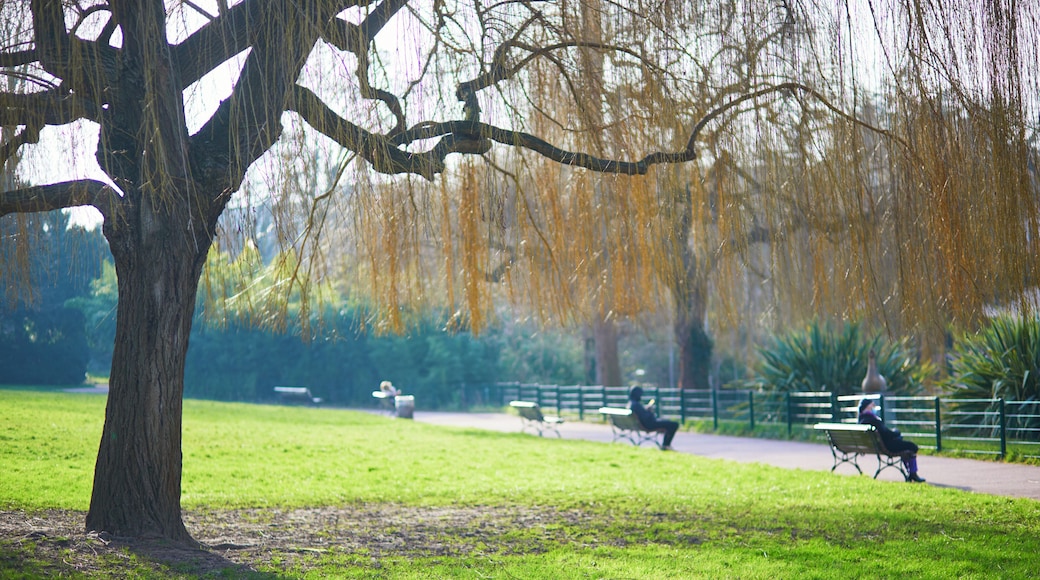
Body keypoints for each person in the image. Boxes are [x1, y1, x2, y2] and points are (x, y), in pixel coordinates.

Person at [858, 398, 925, 483]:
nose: (874, 406)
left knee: (904, 445)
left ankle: (912, 473)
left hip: (879, 445)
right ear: (867, 407)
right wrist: (896, 432)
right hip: (888, 446)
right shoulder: (873, 419)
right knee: (912, 447)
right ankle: (913, 473)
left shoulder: (861, 419)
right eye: (872, 405)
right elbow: (886, 433)